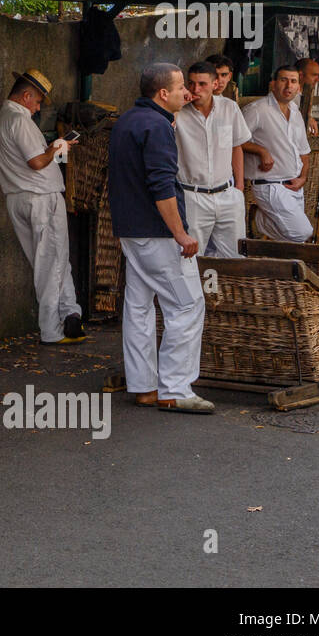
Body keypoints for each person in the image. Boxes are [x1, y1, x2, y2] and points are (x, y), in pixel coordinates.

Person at [108, 63, 213, 414]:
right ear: (163, 93)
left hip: (130, 229)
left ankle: (145, 386)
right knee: (186, 304)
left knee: (138, 307)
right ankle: (176, 389)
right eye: (182, 87)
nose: (189, 93)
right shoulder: (157, 126)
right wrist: (181, 233)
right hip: (157, 233)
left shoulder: (126, 121)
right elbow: (162, 186)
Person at [0, 69, 85, 344]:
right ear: (26, 96)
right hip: (41, 197)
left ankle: (70, 316)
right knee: (51, 265)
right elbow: (36, 162)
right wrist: (56, 147)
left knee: (52, 261)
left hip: (17, 197)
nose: (39, 107)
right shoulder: (19, 121)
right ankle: (51, 330)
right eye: (38, 101)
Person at [174, 62, 252, 257]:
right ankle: (199, 288)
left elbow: (236, 147)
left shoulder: (230, 108)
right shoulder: (178, 112)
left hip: (227, 193)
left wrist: (239, 189)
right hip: (192, 195)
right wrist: (177, 107)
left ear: (215, 84)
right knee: (191, 257)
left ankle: (224, 289)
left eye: (202, 84)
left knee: (235, 256)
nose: (195, 89)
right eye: (191, 84)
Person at [242, 65, 314, 242]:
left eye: (293, 81)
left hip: (294, 185)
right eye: (283, 80)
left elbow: (304, 151)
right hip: (270, 184)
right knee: (302, 233)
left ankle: (261, 221)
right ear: (273, 84)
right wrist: (261, 150)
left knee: (293, 241)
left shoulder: (296, 113)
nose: (288, 86)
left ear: (298, 87)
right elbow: (235, 140)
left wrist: (303, 178)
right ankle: (261, 222)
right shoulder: (257, 110)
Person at [295, 57, 319, 136]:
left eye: (318, 76)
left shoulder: (305, 95)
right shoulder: (289, 95)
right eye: (314, 75)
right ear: (301, 75)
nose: (318, 80)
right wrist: (307, 118)